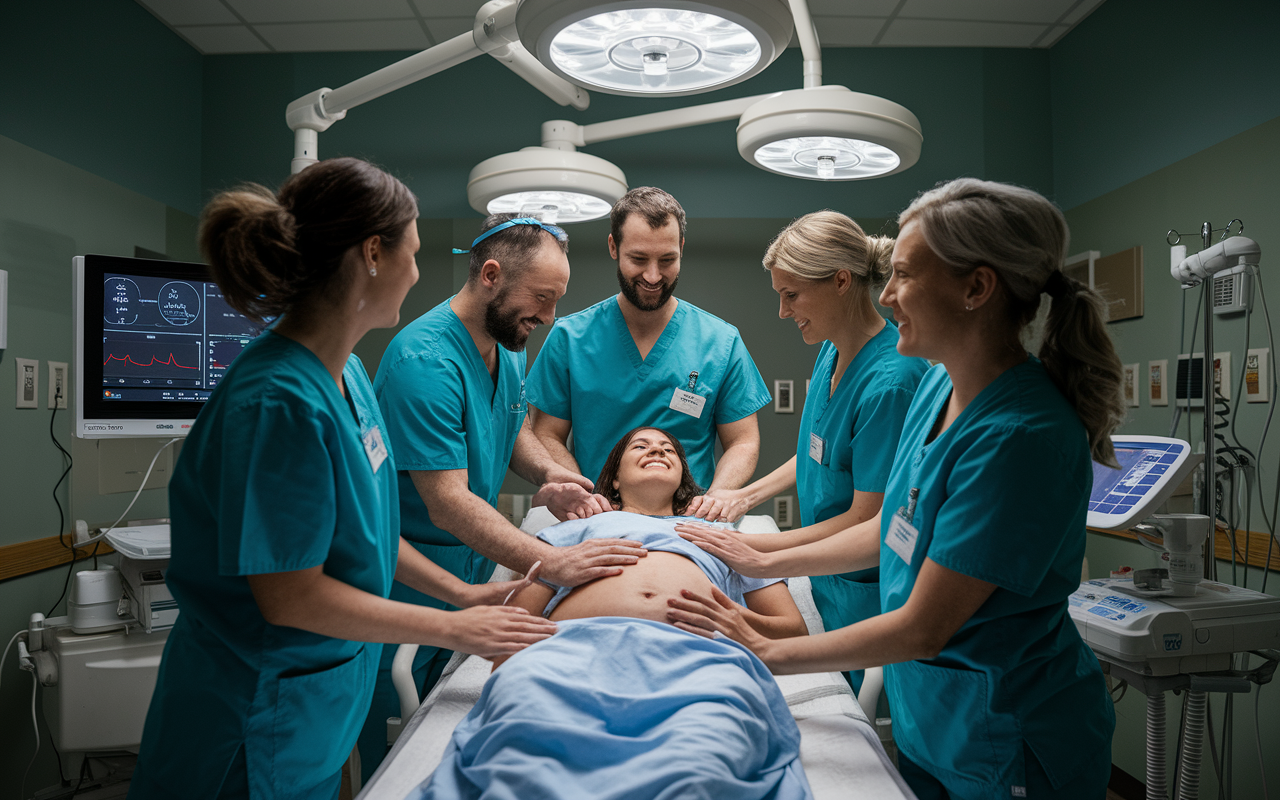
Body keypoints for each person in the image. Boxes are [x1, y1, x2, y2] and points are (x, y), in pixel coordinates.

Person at [672, 179, 1123, 800]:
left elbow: (923, 628)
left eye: (905, 276)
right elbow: (894, 530)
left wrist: (767, 649)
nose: (884, 294)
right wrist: (763, 557)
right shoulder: (939, 389)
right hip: (930, 714)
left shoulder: (1020, 436)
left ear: (976, 287)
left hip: (1005, 731)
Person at [129, 159, 556, 800]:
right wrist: (450, 628)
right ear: (373, 255)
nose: (418, 274)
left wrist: (459, 596)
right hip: (252, 710)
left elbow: (371, 537)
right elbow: (291, 597)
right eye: (412, 254)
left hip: (315, 699)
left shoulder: (349, 375)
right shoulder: (277, 401)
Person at [365, 214, 645, 777]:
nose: (549, 316)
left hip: (467, 570)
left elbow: (509, 426)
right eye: (542, 298)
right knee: (392, 740)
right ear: (491, 275)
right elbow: (446, 500)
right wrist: (554, 562)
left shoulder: (507, 342)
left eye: (558, 299)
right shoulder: (426, 361)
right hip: (404, 578)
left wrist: (548, 477)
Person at [704, 211, 929, 692]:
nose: (784, 313)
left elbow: (867, 521)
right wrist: (744, 497)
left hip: (861, 586)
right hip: (826, 578)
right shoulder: (832, 349)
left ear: (842, 281)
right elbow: (817, 450)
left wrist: (760, 550)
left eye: (791, 295)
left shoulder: (891, 383)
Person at [525, 187, 774, 522]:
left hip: (691, 519)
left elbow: (743, 441)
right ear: (614, 247)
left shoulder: (720, 342)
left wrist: (715, 499)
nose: (653, 276)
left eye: (667, 260)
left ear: (682, 249)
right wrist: (586, 495)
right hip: (599, 516)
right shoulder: (570, 338)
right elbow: (547, 434)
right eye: (639, 259)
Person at [496, 426, 808, 651]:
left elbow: (793, 632)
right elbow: (515, 623)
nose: (657, 450)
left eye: (668, 449)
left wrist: (734, 618)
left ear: (681, 479)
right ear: (615, 478)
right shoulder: (575, 528)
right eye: (640, 446)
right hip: (576, 652)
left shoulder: (722, 534)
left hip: (697, 657)